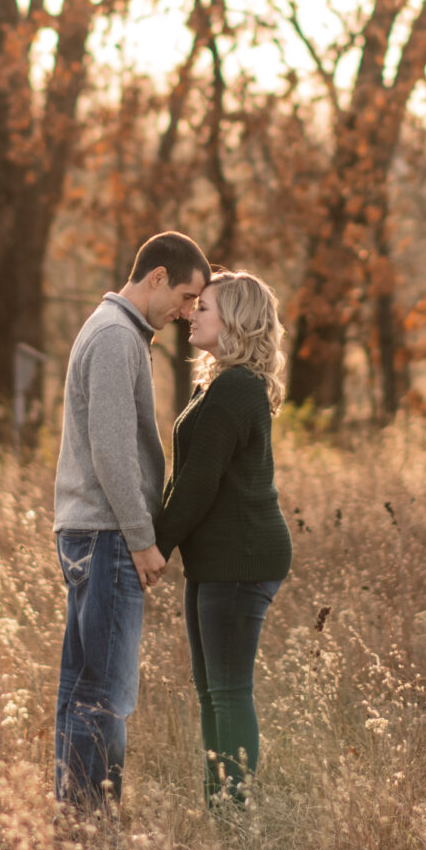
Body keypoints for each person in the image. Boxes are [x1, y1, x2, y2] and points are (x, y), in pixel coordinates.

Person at [52, 230, 209, 808]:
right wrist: (143, 539)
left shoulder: (110, 328)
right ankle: (93, 829)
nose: (187, 312)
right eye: (188, 296)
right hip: (108, 533)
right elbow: (113, 452)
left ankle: (73, 823)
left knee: (79, 689)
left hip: (86, 529)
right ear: (158, 277)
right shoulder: (118, 336)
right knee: (106, 694)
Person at [154, 269, 293, 808]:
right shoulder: (217, 382)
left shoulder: (235, 387)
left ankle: (233, 812)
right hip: (216, 560)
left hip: (242, 559)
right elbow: (188, 479)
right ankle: (220, 806)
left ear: (234, 320)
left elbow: (197, 486)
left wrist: (153, 548)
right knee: (211, 690)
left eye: (204, 307)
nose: (192, 313)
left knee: (229, 690)